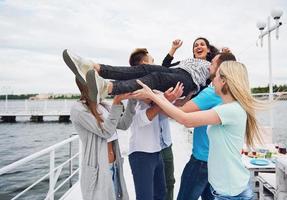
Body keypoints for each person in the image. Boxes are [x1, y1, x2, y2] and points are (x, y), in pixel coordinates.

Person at [132, 61, 264, 200]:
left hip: (231, 192)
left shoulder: (230, 110)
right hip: (225, 189)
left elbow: (185, 119)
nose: (213, 79)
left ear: (224, 81)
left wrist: (155, 97)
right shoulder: (228, 108)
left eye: (217, 76)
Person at [62, 36, 218, 103]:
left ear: (208, 50)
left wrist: (226, 56)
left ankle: (107, 88)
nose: (198, 46)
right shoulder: (187, 61)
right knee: (145, 68)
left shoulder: (211, 65)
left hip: (188, 82)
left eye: (202, 44)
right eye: (196, 45)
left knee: (156, 77)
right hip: (178, 73)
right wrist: (173, 48)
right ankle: (95, 67)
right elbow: (165, 66)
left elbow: (220, 74)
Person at [176, 52, 236, 200]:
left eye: (213, 63)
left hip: (202, 161)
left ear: (221, 69)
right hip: (220, 161)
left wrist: (159, 98)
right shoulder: (233, 93)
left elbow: (181, 114)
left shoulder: (212, 93)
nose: (209, 66)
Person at [70, 78, 131, 200]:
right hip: (99, 170)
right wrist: (117, 101)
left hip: (115, 165)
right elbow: (106, 131)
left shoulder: (104, 106)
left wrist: (132, 100)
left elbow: (124, 124)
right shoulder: (79, 109)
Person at [128, 48, 176, 200]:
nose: (155, 65)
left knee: (160, 194)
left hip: (157, 152)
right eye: (152, 61)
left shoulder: (154, 88)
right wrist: (162, 101)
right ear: (144, 64)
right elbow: (140, 120)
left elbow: (170, 104)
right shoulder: (131, 87)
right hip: (141, 153)